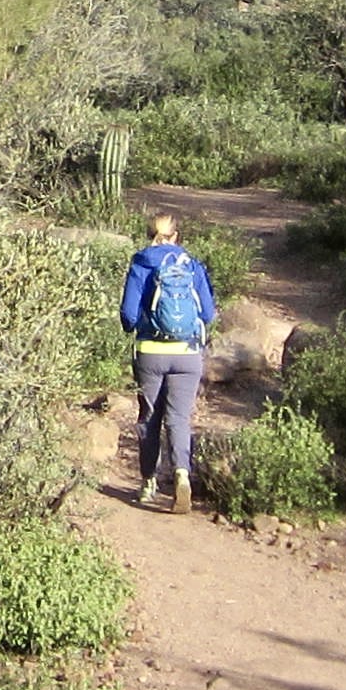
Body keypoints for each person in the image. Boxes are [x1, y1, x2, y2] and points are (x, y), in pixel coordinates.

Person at [120, 213, 215, 512]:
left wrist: (142, 324)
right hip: (187, 354)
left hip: (150, 351)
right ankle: (182, 475)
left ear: (149, 234)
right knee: (179, 418)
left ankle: (148, 483)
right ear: (176, 235)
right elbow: (209, 314)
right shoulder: (192, 264)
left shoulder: (141, 264)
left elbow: (128, 316)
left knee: (149, 416)